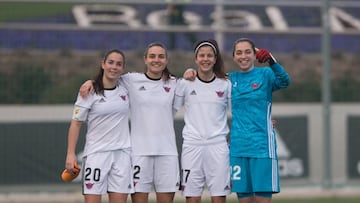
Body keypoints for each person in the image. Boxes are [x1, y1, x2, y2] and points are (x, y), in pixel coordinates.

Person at [79, 42, 180, 203]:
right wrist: (90, 82)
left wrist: (190, 72)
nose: (156, 60)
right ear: (145, 59)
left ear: (166, 60)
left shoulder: (175, 83)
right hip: (138, 153)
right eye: (152, 56)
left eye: (161, 56)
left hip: (167, 152)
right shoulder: (130, 80)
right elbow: (109, 75)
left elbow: (196, 84)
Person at [65, 49, 134, 203]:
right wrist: (70, 154)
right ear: (103, 64)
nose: (114, 67)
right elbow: (76, 124)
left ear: (123, 68)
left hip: (122, 155)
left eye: (118, 64)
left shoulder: (126, 87)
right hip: (96, 155)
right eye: (110, 62)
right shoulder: (89, 91)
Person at [229, 38, 291, 203]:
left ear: (254, 54)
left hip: (262, 146)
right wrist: (191, 73)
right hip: (238, 148)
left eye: (248, 52)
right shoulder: (229, 79)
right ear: (233, 57)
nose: (243, 56)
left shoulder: (265, 74)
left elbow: (285, 81)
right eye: (239, 53)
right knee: (244, 200)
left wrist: (271, 60)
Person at [173, 39, 231, 203]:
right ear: (196, 59)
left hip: (218, 146)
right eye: (202, 55)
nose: (205, 59)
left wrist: (264, 118)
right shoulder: (185, 83)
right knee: (192, 197)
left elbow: (239, 111)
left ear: (215, 59)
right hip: (192, 146)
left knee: (219, 197)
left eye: (209, 56)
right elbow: (169, 109)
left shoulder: (226, 84)